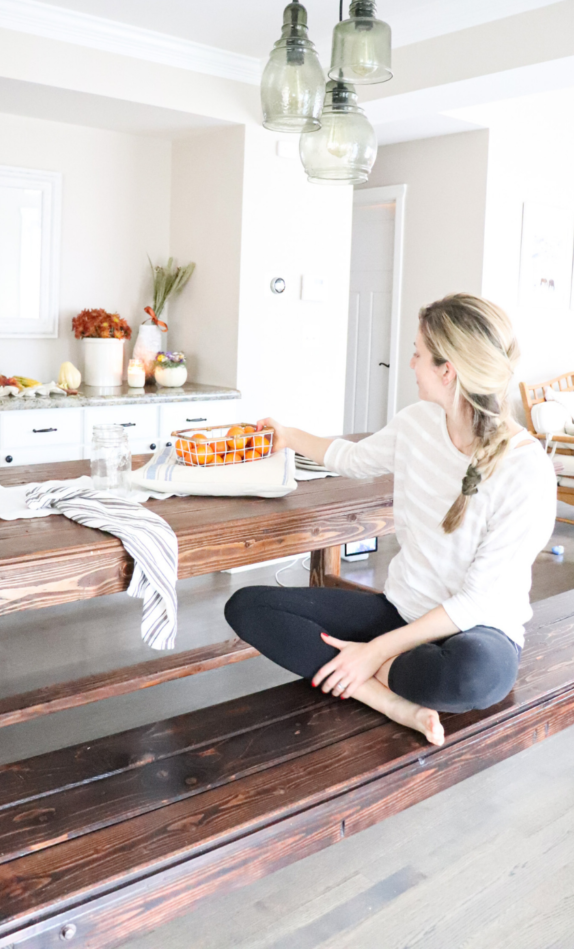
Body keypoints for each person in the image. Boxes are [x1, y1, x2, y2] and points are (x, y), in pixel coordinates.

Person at [225, 294, 556, 746]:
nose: (411, 362)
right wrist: (288, 435)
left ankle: (370, 669)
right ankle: (386, 699)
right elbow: (354, 459)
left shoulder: (526, 469)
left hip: (477, 632)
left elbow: (477, 602)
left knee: (469, 677)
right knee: (248, 606)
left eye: (418, 352)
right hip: (401, 611)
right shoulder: (416, 423)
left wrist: (376, 651)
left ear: (448, 370)